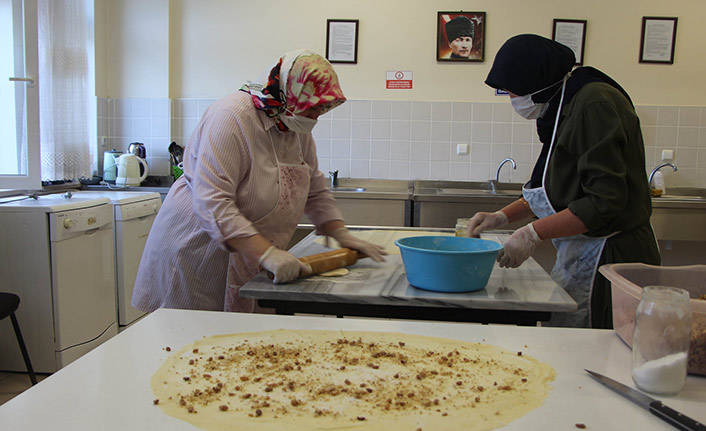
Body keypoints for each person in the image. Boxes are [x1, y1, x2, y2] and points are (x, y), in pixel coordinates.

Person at [132, 49, 386, 313]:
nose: (316, 118)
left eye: (320, 109)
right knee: (191, 341)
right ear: (286, 92)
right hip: (198, 250)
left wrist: (340, 232)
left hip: (249, 253)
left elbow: (314, 187)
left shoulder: (294, 125)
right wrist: (266, 254)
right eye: (311, 109)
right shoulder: (231, 118)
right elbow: (213, 201)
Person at [467, 34, 660, 328]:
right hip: (583, 250)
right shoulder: (564, 104)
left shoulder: (593, 104)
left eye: (511, 92)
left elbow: (603, 203)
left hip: (608, 255)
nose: (512, 100)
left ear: (535, 80)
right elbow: (557, 189)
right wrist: (502, 216)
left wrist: (531, 234)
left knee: (598, 350)